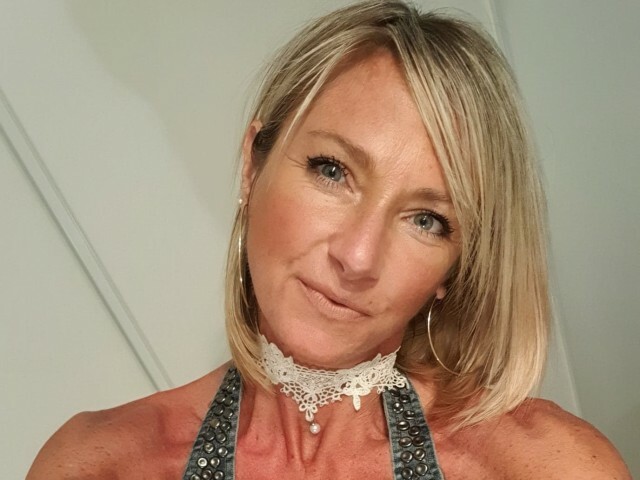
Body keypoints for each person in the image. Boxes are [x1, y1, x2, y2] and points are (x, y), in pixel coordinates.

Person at [27, 1, 631, 479]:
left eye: (427, 220)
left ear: (455, 268)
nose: (358, 256)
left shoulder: (547, 466)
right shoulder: (97, 464)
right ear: (252, 166)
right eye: (332, 171)